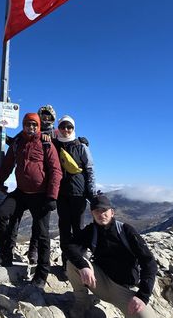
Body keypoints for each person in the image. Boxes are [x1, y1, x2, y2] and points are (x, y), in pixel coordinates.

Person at [0, 113, 63, 288]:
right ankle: (5, 255)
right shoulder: (17, 143)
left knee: (42, 234)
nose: (31, 127)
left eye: (34, 125)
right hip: (21, 192)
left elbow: (55, 171)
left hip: (41, 194)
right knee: (2, 213)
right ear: (23, 125)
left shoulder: (46, 143)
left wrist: (52, 196)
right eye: (28, 124)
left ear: (38, 126)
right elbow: (6, 167)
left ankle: (42, 274)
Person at [65, 195, 157, 318]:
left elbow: (149, 262)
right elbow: (69, 247)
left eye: (104, 210)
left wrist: (142, 296)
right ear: (92, 214)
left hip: (123, 290)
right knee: (72, 263)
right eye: (96, 211)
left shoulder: (125, 231)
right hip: (100, 283)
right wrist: (83, 266)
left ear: (112, 212)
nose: (101, 214)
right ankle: (83, 302)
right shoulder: (91, 231)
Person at [52, 115, 96, 268]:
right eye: (63, 127)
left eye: (69, 127)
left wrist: (92, 191)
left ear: (73, 128)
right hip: (61, 194)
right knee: (64, 228)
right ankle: (66, 264)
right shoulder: (55, 144)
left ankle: (79, 264)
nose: (66, 130)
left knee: (78, 229)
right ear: (59, 128)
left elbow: (90, 169)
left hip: (78, 193)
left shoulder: (81, 146)